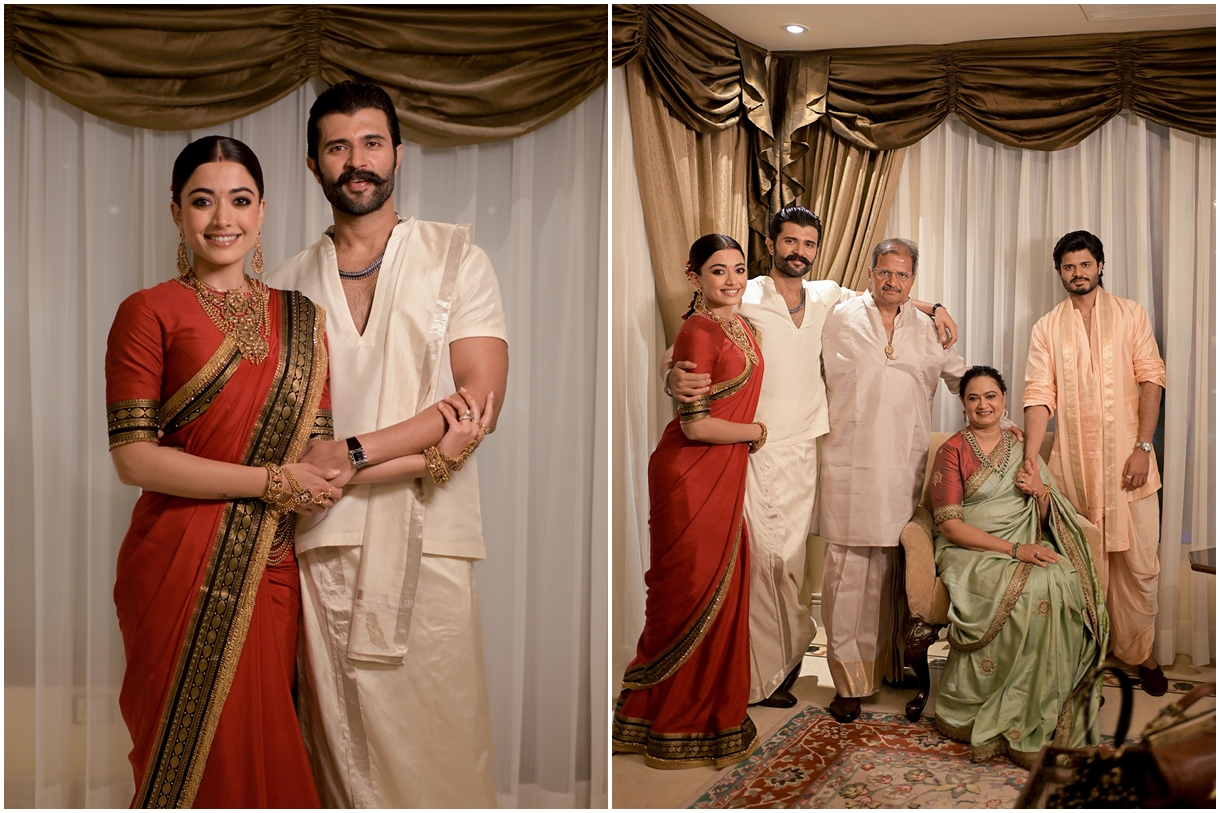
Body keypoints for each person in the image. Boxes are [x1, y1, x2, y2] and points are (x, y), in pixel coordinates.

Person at [264, 81, 509, 807]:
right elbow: (292, 444)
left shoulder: (457, 256)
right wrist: (424, 452)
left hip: (433, 537)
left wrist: (352, 453)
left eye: (372, 142)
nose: (357, 160)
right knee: (348, 754)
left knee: (445, 739)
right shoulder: (284, 289)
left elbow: (478, 405)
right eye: (337, 147)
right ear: (314, 166)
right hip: (326, 542)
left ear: (398, 153)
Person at [105, 136, 334, 808]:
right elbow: (133, 458)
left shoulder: (301, 319)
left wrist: (431, 442)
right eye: (202, 201)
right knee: (187, 759)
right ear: (176, 211)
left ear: (262, 211)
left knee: (265, 744)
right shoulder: (147, 312)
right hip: (173, 560)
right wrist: (271, 483)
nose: (222, 218)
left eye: (239, 200)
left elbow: (316, 454)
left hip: (267, 564)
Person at [666, 208, 958, 709]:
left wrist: (934, 307)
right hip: (754, 444)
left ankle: (784, 663)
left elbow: (891, 293)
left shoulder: (827, 297)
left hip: (808, 446)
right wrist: (673, 375)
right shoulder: (748, 292)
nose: (798, 250)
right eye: (790, 241)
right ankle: (761, 674)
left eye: (808, 243)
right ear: (772, 244)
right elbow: (700, 331)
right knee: (767, 561)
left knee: (794, 566)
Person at [613, 234, 765, 769]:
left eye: (740, 269)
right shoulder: (699, 328)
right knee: (687, 591)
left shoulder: (741, 323)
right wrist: (756, 430)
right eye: (718, 270)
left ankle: (711, 718)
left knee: (722, 589)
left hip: (723, 474)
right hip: (689, 474)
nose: (732, 280)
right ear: (694, 275)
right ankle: (668, 718)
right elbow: (696, 426)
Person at [818, 237, 972, 723]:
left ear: (913, 280)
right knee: (848, 575)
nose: (892, 282)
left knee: (895, 573)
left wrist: (1000, 419)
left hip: (903, 466)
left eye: (903, 275)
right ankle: (847, 684)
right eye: (885, 272)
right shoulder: (837, 312)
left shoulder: (926, 329)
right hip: (849, 462)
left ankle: (890, 668)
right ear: (870, 271)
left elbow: (959, 376)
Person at [930, 366, 1108, 767]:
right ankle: (986, 702)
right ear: (962, 404)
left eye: (991, 396)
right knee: (1028, 586)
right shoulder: (952, 450)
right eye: (973, 398)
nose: (983, 405)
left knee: (1060, 577)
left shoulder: (1023, 447)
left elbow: (1048, 515)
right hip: (971, 549)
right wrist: (1015, 549)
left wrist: (1039, 491)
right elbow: (950, 525)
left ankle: (1041, 701)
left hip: (1021, 542)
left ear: (1004, 399)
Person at [1022, 230, 1168, 695]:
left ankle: (1141, 653)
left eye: (1085, 264)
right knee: (1082, 566)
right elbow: (1039, 395)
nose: (1077, 273)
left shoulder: (1131, 314)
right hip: (1074, 470)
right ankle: (1086, 657)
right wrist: (1031, 462)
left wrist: (1143, 447)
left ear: (1100, 266)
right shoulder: (1047, 327)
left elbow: (1151, 380)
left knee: (1140, 566)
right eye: (1069, 267)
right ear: (1060, 272)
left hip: (1130, 466)